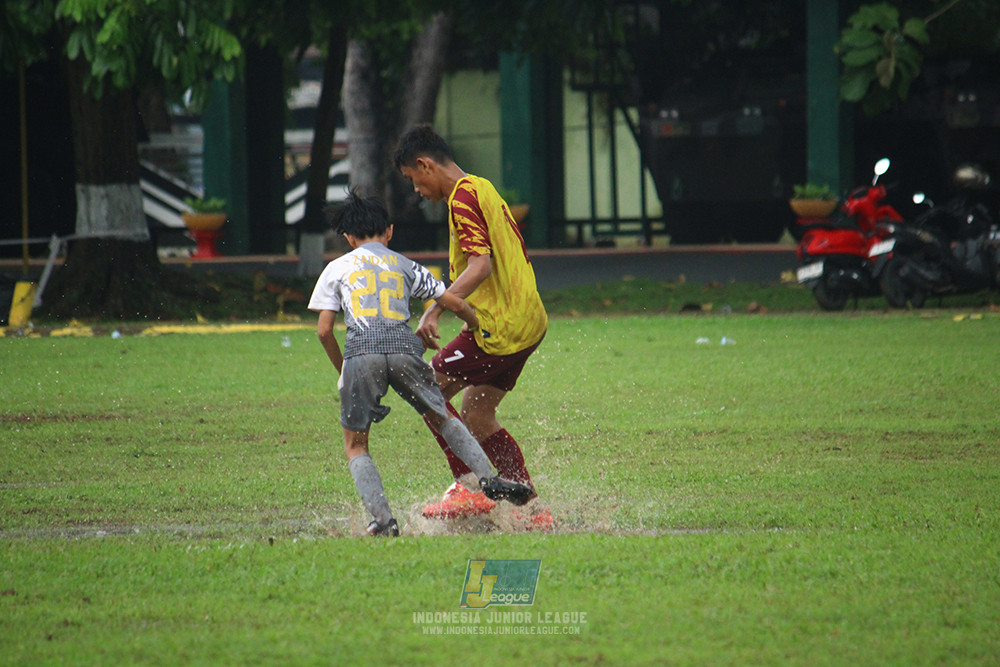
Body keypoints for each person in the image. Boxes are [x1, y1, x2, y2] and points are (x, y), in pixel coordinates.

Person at [308, 191, 535, 537]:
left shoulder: (336, 268)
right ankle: (488, 477)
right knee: (442, 417)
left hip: (361, 353)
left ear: (348, 238)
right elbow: (453, 302)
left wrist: (345, 371)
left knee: (356, 444)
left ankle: (384, 522)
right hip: (404, 350)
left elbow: (324, 330)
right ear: (389, 232)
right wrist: (474, 325)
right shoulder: (404, 264)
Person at [392, 124, 552, 529]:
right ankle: (532, 512)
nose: (416, 191)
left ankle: (467, 485)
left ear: (425, 165)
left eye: (413, 180)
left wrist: (434, 309)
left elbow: (481, 266)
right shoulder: (480, 186)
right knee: (477, 416)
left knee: (426, 388)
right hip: (529, 321)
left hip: (500, 325)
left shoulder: (461, 198)